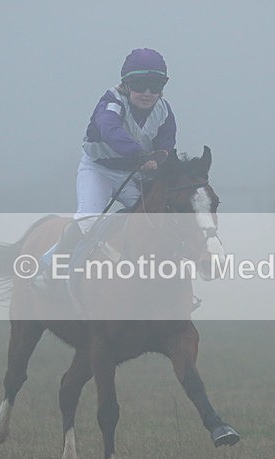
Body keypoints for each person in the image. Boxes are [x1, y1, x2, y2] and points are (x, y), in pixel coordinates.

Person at [36, 48, 177, 284]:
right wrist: (140, 155)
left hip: (132, 175)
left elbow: (166, 143)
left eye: (155, 85)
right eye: (140, 84)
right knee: (88, 221)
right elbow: (110, 130)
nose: (148, 92)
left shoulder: (165, 111)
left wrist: (160, 161)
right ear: (126, 84)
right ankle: (49, 266)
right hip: (99, 170)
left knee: (159, 220)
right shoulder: (111, 103)